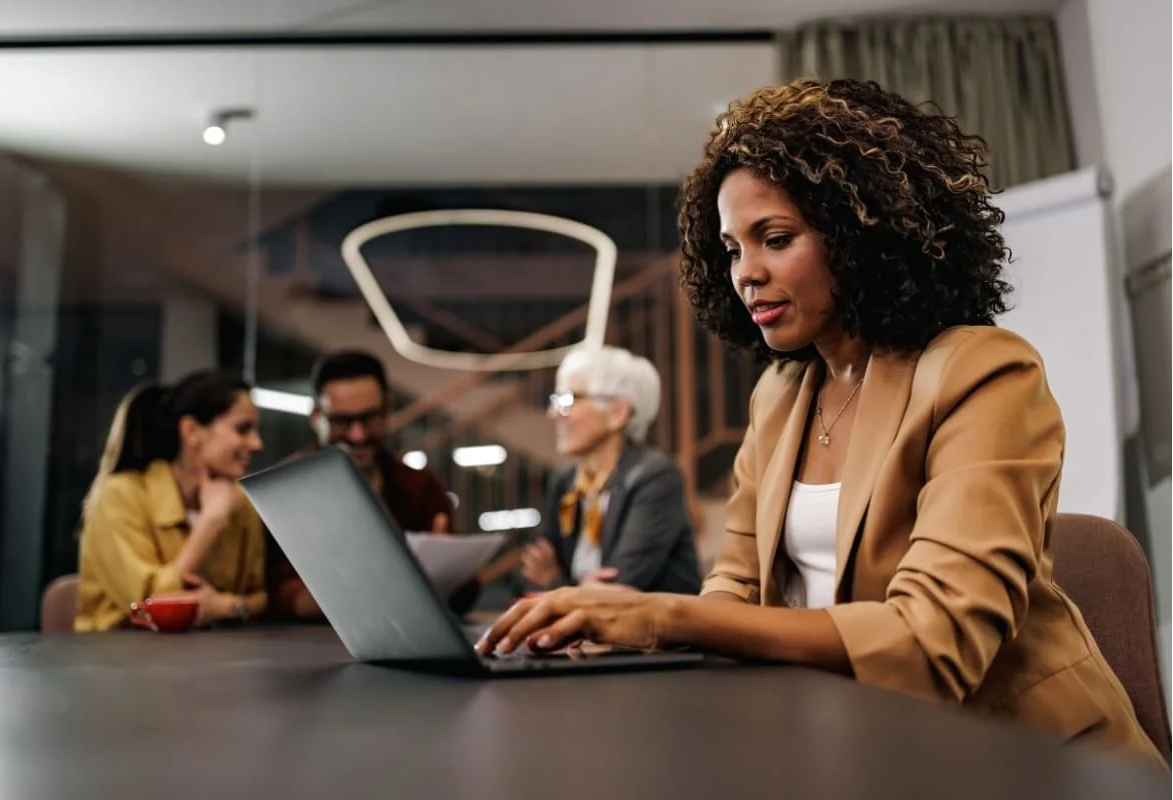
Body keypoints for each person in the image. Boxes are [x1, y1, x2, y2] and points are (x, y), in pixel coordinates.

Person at [478, 78, 1163, 768]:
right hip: (856, 741)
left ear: (861, 234)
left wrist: (662, 615)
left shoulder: (981, 372)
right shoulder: (779, 396)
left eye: (774, 239)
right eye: (732, 249)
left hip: (1025, 760)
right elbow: (735, 590)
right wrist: (631, 636)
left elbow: (937, 643)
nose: (746, 273)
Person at [268, 350, 463, 620]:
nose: (357, 435)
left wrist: (446, 567)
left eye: (369, 418)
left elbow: (464, 593)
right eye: (342, 421)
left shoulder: (419, 485)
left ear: (387, 412)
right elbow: (278, 596)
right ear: (316, 417)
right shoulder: (284, 491)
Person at [75, 372, 267, 631]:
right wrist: (211, 523)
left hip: (211, 660)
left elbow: (260, 596)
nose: (257, 443)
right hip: (119, 660)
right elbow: (149, 606)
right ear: (191, 431)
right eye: (243, 429)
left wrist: (227, 606)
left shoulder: (240, 503)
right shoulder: (120, 495)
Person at [520, 345, 700, 595]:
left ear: (618, 413)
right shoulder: (565, 483)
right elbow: (530, 575)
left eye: (568, 400)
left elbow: (618, 590)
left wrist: (555, 584)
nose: (553, 413)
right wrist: (572, 587)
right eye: (555, 400)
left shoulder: (655, 477)